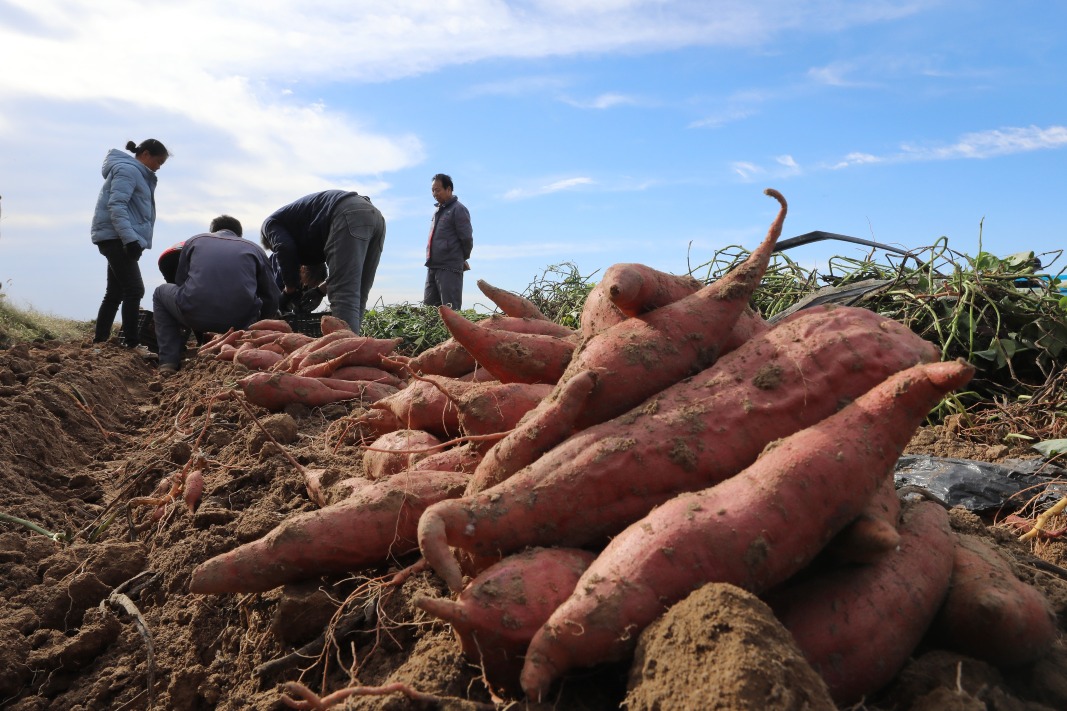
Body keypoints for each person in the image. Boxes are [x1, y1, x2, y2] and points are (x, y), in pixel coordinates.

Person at [152, 215, 280, 375]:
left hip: (194, 314)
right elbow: (272, 297)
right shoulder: (254, 249)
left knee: (160, 292)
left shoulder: (195, 240)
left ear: (212, 232)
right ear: (239, 235)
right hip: (241, 323)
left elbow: (181, 282)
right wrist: (258, 323)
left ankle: (168, 362)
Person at [260, 190, 386, 333]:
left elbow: (284, 248)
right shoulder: (306, 232)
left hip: (345, 213)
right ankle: (354, 345)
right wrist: (319, 291)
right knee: (359, 294)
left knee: (343, 296)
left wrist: (290, 291)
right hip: (375, 218)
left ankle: (344, 350)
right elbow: (345, 274)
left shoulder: (269, 225)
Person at [91, 138, 169, 348]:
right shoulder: (128, 170)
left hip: (118, 237)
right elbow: (116, 205)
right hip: (117, 238)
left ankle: (100, 342)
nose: (159, 167)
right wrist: (130, 240)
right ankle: (132, 345)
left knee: (115, 292)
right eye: (159, 161)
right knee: (134, 289)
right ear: (145, 154)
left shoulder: (138, 174)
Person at [424, 173, 473, 310]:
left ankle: (451, 333)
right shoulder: (437, 212)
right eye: (433, 190)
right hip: (433, 265)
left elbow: (467, 238)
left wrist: (461, 258)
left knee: (450, 308)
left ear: (449, 189)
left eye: (438, 190)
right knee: (429, 310)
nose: (434, 193)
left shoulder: (459, 209)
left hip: (449, 266)